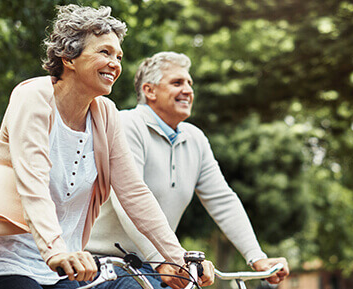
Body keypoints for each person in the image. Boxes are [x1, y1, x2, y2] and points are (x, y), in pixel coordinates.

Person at [0, 6, 214, 289]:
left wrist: (179, 256)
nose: (115, 63)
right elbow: (33, 182)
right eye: (104, 52)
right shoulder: (33, 97)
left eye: (118, 56)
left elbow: (134, 193)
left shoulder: (105, 114)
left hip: (57, 266)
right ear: (68, 58)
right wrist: (55, 250)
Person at [86, 52, 290, 289]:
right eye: (177, 83)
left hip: (155, 264)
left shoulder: (195, 139)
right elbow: (127, 199)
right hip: (104, 264)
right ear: (149, 91)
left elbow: (222, 200)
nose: (188, 90)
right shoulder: (127, 125)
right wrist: (162, 260)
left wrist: (257, 257)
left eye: (190, 84)